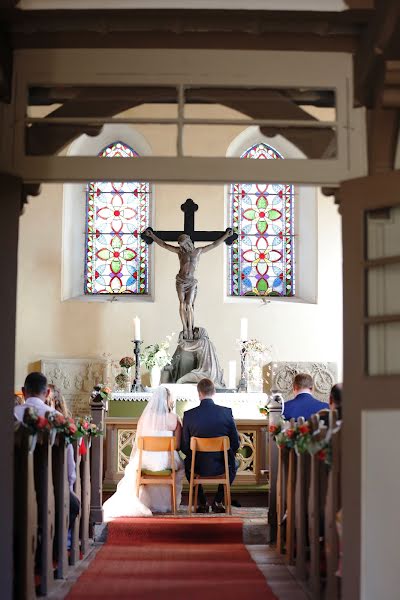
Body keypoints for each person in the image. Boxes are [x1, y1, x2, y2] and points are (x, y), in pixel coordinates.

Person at [103, 386, 184, 519]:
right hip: (166, 462)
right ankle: (168, 503)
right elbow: (177, 446)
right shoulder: (174, 419)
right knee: (180, 468)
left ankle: (145, 501)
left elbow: (139, 441)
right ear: (169, 400)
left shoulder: (145, 418)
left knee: (137, 468)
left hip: (145, 461)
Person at [144, 227, 233, 340]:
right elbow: (164, 245)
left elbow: (214, 244)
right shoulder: (180, 252)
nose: (182, 246)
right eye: (181, 245)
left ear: (188, 242)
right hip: (181, 281)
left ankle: (190, 329)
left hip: (191, 282)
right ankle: (185, 328)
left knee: (188, 304)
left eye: (183, 244)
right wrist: (152, 236)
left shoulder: (198, 251)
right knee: (182, 303)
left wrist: (226, 236)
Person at [181, 378, 240, 513]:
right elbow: (235, 443)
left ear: (199, 394)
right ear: (214, 393)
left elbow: (185, 447)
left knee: (187, 465)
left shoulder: (189, 415)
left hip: (197, 465)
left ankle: (202, 502)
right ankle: (218, 501)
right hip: (221, 465)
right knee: (234, 464)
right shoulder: (226, 412)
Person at [48, 384, 80, 545]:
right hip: (55, 486)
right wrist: (70, 487)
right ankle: (60, 542)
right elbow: (70, 471)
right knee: (73, 504)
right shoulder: (63, 426)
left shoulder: (19, 416)